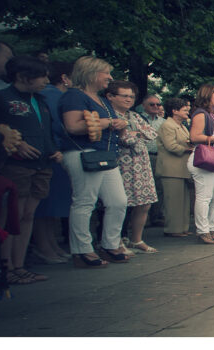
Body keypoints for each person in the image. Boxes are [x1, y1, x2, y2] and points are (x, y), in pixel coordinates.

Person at [0, 56, 59, 284]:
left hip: (42, 164)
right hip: (15, 165)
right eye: (41, 76)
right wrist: (14, 143)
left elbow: (47, 130)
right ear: (23, 77)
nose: (46, 81)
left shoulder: (41, 101)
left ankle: (19, 265)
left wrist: (54, 150)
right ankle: (5, 268)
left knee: (28, 215)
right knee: (12, 216)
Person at [59, 56, 129, 268]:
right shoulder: (74, 96)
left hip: (106, 155)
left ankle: (110, 244)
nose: (110, 77)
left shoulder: (102, 99)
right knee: (84, 201)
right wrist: (107, 122)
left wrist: (119, 124)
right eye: (105, 73)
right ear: (91, 73)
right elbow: (72, 126)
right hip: (84, 153)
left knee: (118, 201)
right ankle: (82, 250)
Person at [106, 80, 160, 254]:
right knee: (121, 204)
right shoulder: (109, 115)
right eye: (124, 96)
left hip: (141, 164)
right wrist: (137, 134)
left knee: (145, 203)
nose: (129, 99)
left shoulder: (134, 115)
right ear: (110, 96)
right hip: (122, 165)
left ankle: (137, 240)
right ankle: (117, 240)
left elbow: (152, 133)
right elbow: (125, 139)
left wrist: (134, 133)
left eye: (131, 96)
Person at [31, 60, 74, 264]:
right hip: (51, 153)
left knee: (53, 204)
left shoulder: (59, 95)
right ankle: (43, 246)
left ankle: (52, 245)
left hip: (58, 152)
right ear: (65, 78)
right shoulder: (51, 95)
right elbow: (56, 126)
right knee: (45, 203)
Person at [187, 84, 214, 244]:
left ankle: (211, 227)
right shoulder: (200, 114)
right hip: (202, 160)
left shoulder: (211, 115)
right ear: (208, 96)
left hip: (213, 160)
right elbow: (194, 137)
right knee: (204, 197)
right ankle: (202, 231)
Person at [156, 98, 193, 238]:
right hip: (171, 169)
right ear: (174, 111)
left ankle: (182, 228)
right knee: (173, 201)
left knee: (184, 201)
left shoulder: (182, 126)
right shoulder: (168, 125)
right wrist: (188, 149)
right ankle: (172, 229)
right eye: (184, 109)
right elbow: (170, 145)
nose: (187, 111)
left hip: (182, 169)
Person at [137, 94, 166, 227]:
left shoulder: (163, 122)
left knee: (158, 186)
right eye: (152, 104)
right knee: (142, 187)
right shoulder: (138, 119)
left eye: (158, 104)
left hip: (158, 156)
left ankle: (156, 216)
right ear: (144, 106)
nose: (156, 107)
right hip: (141, 156)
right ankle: (141, 218)